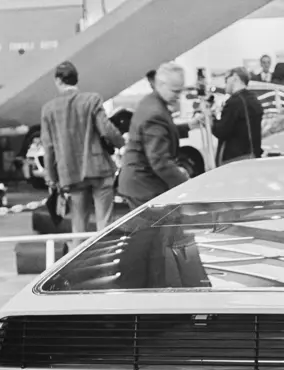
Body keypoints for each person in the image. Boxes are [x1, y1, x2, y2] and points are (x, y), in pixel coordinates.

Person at [40, 61, 124, 245]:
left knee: (78, 228)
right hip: (99, 169)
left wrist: (52, 178)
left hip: (70, 174)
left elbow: (49, 148)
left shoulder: (48, 110)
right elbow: (106, 130)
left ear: (58, 81)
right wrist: (122, 143)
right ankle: (107, 263)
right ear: (76, 79)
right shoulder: (91, 100)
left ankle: (78, 269)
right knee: (105, 225)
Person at [118, 61, 190, 210]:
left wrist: (189, 126)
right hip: (144, 185)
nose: (178, 96)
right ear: (162, 85)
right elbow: (160, 161)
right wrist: (185, 184)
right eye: (175, 91)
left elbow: (163, 132)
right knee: (161, 231)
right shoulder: (155, 113)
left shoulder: (151, 102)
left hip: (139, 182)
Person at [209, 67, 263, 166]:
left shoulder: (234, 102)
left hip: (234, 160)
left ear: (235, 77)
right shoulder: (254, 100)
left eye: (226, 79)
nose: (225, 84)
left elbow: (221, 131)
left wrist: (210, 118)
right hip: (252, 156)